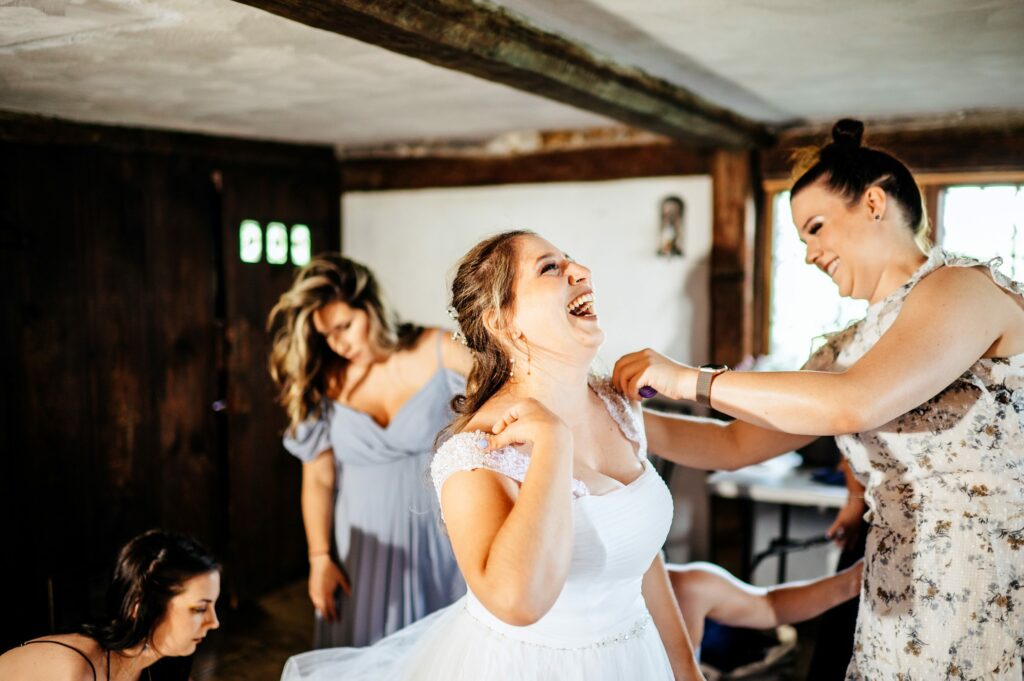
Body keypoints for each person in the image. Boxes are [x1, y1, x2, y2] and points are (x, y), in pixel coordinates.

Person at [613, 119, 1024, 679]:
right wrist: (617, 419)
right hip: (897, 588)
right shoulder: (844, 348)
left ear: (874, 202)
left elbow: (856, 402)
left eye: (816, 228)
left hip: (991, 576)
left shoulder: (960, 288)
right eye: (802, 239)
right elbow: (735, 443)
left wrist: (693, 380)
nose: (809, 253)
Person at [268, 253, 471, 648]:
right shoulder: (325, 380)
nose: (338, 343)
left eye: (345, 326)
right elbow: (319, 477)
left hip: (441, 539)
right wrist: (319, 557)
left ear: (372, 308)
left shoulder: (440, 350)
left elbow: (508, 398)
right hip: (362, 551)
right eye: (326, 335)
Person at [0, 529, 220, 681]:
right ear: (139, 606)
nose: (214, 622)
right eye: (200, 609)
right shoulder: (75, 671)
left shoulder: (160, 667)